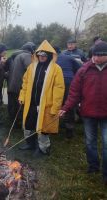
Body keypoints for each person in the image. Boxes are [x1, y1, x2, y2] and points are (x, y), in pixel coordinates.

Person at [59, 41, 107, 186]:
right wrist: (66, 108)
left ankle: (106, 174)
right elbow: (74, 93)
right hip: (88, 113)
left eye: (101, 55)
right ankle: (93, 167)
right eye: (95, 55)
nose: (97, 58)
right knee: (90, 142)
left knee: (106, 143)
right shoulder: (84, 70)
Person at [18, 40, 65, 157]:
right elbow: (25, 82)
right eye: (39, 55)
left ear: (49, 55)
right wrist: (22, 96)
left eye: (44, 55)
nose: (41, 57)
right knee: (29, 124)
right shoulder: (32, 67)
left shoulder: (56, 69)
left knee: (43, 128)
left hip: (45, 105)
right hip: (31, 103)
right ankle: (30, 143)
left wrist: (55, 107)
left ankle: (43, 148)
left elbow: (59, 89)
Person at [54, 46, 81, 138]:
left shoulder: (50, 59)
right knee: (69, 104)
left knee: (57, 103)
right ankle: (69, 129)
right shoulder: (69, 57)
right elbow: (80, 68)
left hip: (56, 83)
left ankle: (55, 126)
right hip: (69, 81)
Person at [7, 42, 36, 128]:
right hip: (19, 85)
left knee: (13, 106)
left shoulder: (17, 56)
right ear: (31, 49)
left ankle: (14, 123)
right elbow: (31, 69)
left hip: (12, 84)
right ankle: (21, 123)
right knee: (20, 106)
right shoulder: (26, 56)